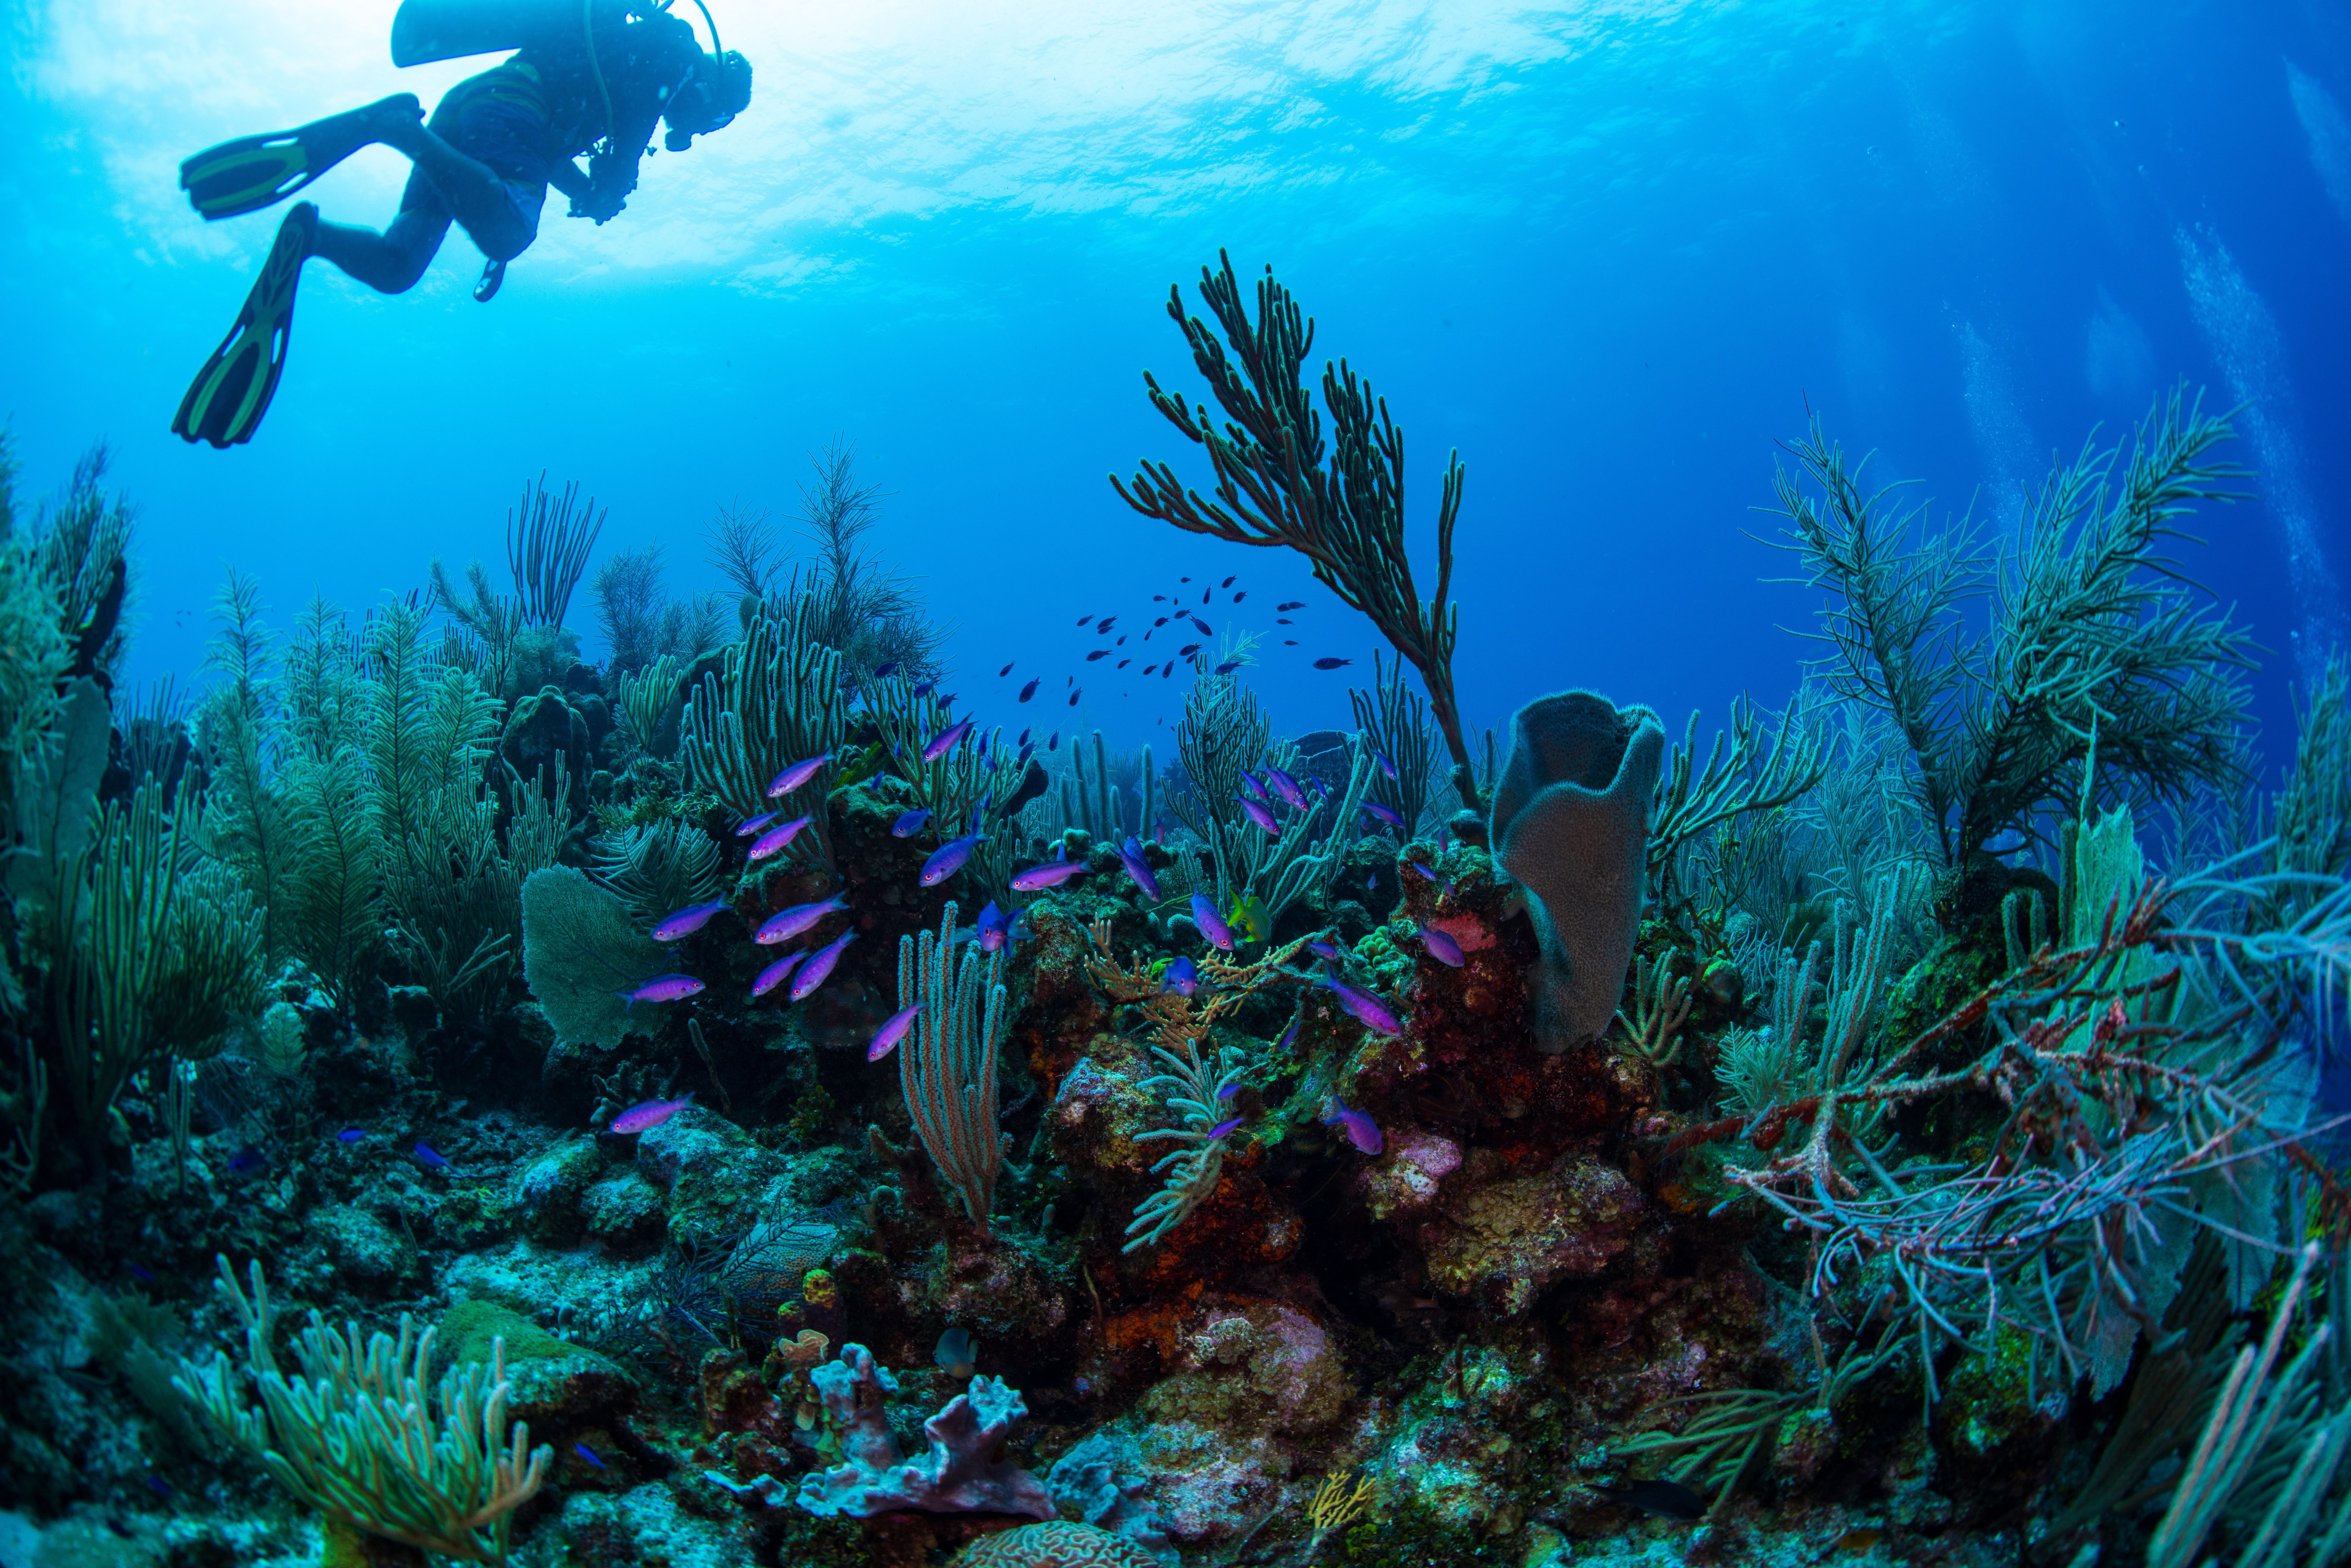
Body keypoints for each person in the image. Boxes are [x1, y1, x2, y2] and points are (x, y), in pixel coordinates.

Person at [171, 3, 750, 448]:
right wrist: (612, 187)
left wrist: (586, 190)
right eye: (709, 121)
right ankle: (398, 130)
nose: (691, 132)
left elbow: (550, 155)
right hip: (514, 109)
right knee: (510, 234)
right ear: (713, 90)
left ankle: (311, 236)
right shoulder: (671, 55)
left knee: (399, 266)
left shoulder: (627, 60)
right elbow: (618, 157)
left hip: (470, 108)